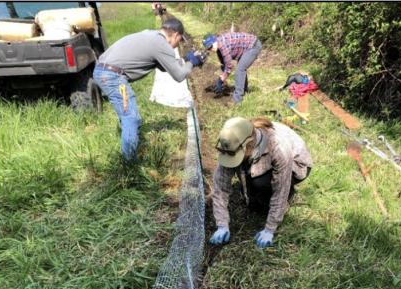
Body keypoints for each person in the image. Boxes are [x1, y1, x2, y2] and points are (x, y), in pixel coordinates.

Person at [93, 18, 203, 161]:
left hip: (104, 69)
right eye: (180, 40)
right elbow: (179, 75)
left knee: (127, 115)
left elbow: (165, 66)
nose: (178, 45)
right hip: (112, 75)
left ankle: (128, 144)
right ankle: (129, 164)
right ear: (175, 35)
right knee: (131, 118)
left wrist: (183, 61)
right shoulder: (161, 44)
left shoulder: (152, 36)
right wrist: (192, 63)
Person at [210, 117, 313, 248]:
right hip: (259, 158)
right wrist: (222, 225)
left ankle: (290, 194)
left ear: (249, 144)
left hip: (296, 164)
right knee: (253, 198)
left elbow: (281, 190)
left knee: (260, 183)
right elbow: (220, 188)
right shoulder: (231, 143)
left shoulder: (278, 147)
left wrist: (270, 229)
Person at [202, 31, 262, 104]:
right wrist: (221, 79)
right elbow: (224, 64)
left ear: (215, 40)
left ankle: (237, 100)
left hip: (253, 46)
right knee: (241, 68)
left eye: (210, 47)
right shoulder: (218, 47)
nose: (210, 49)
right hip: (245, 49)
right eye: (208, 48)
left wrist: (223, 78)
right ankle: (244, 90)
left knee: (240, 69)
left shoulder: (222, 45)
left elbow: (229, 65)